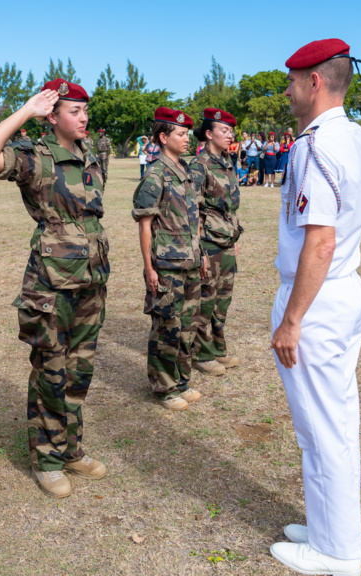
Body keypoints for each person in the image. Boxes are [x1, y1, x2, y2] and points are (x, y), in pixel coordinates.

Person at [0, 78, 109, 498]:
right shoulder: (35, 157)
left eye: (86, 110)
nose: (83, 118)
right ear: (52, 116)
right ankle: (47, 460)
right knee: (51, 370)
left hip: (91, 278)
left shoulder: (90, 152)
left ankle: (71, 450)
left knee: (79, 370)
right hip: (51, 284)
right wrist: (27, 111)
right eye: (74, 111)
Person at [270, 38, 361, 576]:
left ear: (314, 81)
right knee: (335, 421)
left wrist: (292, 320)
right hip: (342, 290)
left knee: (320, 427)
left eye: (291, 82)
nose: (287, 92)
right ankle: (330, 527)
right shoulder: (353, 134)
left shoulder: (316, 145)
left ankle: (336, 552)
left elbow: (321, 240)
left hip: (318, 299)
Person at [132, 107, 205, 411]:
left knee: (187, 327)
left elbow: (194, 217)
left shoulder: (185, 171)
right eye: (181, 134)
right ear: (163, 137)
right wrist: (149, 268)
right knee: (167, 328)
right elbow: (145, 224)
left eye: (187, 134)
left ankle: (182, 381)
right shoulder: (155, 175)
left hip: (190, 262)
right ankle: (164, 388)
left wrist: (200, 253)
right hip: (166, 266)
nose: (187, 139)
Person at [189, 108, 244, 377]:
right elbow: (193, 210)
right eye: (224, 130)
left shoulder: (226, 162)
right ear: (209, 134)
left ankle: (218, 348)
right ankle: (201, 354)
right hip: (208, 242)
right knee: (206, 300)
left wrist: (234, 238)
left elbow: (229, 207)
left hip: (226, 240)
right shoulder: (199, 166)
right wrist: (198, 250)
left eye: (231, 131)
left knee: (223, 299)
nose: (229, 135)